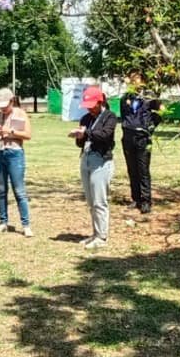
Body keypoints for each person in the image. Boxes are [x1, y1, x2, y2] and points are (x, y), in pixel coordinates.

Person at [72, 85, 117, 249]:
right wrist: (79, 136)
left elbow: (105, 136)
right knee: (91, 201)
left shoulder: (110, 117)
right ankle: (95, 233)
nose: (90, 109)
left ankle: (102, 236)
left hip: (101, 161)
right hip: (86, 159)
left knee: (99, 200)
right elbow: (81, 143)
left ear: (100, 102)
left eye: (92, 105)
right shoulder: (85, 119)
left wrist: (87, 133)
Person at [0, 87, 33, 237]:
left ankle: (26, 225)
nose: (2, 109)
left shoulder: (21, 114)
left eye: (5, 105)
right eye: (0, 106)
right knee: (1, 189)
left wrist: (11, 132)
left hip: (15, 154)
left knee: (19, 190)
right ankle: (3, 222)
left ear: (12, 101)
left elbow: (28, 135)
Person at [120, 72, 161, 214]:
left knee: (143, 170)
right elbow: (124, 116)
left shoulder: (149, 97)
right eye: (131, 80)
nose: (133, 82)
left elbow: (159, 113)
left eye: (136, 79)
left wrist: (149, 128)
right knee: (132, 169)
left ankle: (146, 200)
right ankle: (136, 198)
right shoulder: (125, 98)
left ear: (143, 81)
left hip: (143, 137)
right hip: (128, 136)